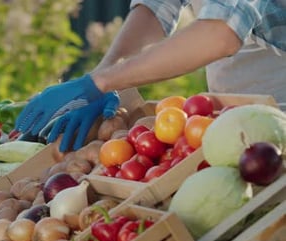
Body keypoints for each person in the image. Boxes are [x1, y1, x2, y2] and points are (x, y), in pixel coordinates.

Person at [15, 0, 286, 152]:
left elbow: (220, 34)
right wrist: (104, 74)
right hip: (240, 116)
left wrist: (99, 82)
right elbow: (157, 9)